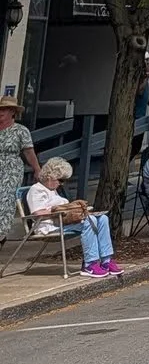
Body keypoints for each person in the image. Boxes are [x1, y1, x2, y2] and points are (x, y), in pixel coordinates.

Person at [27, 157, 122, 275]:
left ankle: (106, 259)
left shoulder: (53, 190)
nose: (62, 184)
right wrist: (62, 211)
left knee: (102, 218)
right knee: (89, 220)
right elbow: (37, 213)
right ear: (49, 177)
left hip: (63, 222)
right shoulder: (36, 190)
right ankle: (90, 263)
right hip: (49, 227)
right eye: (61, 180)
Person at [0, 91, 42, 220]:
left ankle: (1, 233)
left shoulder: (21, 131)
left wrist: (37, 169)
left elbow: (29, 152)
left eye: (5, 109)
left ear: (13, 112)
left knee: (5, 201)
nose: (1, 112)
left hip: (10, 170)